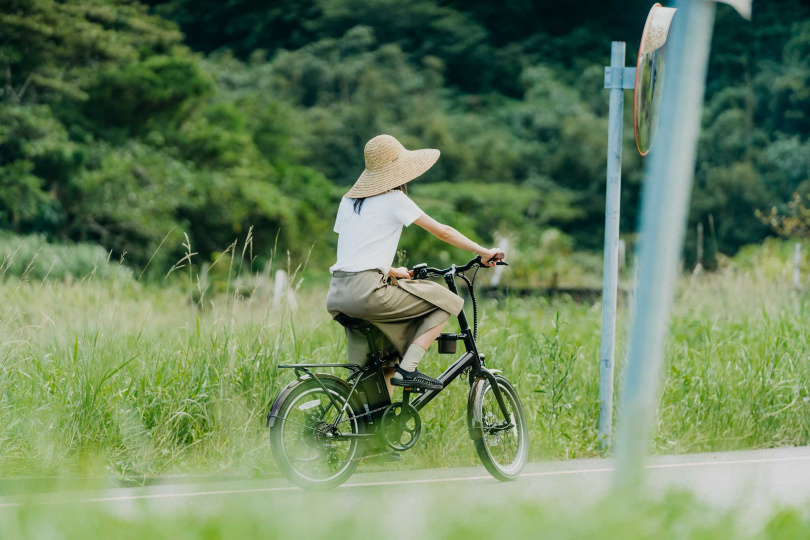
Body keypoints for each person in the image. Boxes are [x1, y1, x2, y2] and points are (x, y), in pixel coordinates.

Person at [326, 134, 503, 393]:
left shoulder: (349, 201)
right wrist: (483, 251)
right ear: (397, 170)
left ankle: (376, 429)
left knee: (381, 363)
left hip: (338, 294)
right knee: (447, 301)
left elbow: (354, 249)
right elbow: (443, 231)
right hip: (367, 292)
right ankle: (409, 369)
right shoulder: (393, 199)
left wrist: (391, 270)